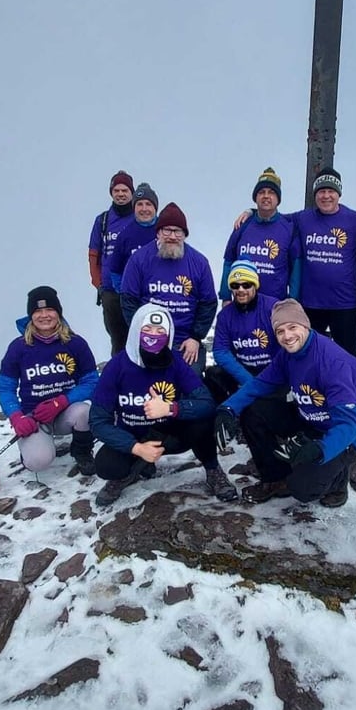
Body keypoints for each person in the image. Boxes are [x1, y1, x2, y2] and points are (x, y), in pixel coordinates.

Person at [215, 299, 356, 506]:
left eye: (292, 327)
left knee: (303, 489)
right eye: (280, 331)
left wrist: (320, 449)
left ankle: (338, 480)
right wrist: (228, 408)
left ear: (305, 325)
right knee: (254, 412)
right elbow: (260, 384)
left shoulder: (331, 363)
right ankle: (275, 478)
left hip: (345, 429)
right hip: (312, 415)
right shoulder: (288, 354)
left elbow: (349, 425)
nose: (287, 336)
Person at [90, 303, 237, 507]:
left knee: (202, 421)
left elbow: (205, 402)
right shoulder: (117, 366)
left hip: (169, 433)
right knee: (107, 465)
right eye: (147, 329)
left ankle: (213, 470)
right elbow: (98, 421)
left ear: (169, 335)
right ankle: (135, 468)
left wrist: (171, 408)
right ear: (136, 330)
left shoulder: (175, 361)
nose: (153, 335)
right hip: (134, 435)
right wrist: (136, 448)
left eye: (160, 331)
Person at [0, 286, 99, 475]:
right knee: (38, 462)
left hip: (66, 411)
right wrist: (17, 417)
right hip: (34, 417)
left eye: (50, 309)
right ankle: (32, 447)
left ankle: (82, 452)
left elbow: (92, 382)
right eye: (38, 311)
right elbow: (5, 387)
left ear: (58, 313)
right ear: (31, 316)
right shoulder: (18, 347)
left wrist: (62, 401)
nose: (44, 315)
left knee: (85, 412)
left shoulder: (75, 343)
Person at [120, 203, 218, 377]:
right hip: (149, 339)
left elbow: (208, 303)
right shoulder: (139, 259)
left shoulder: (199, 263)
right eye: (167, 230)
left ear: (184, 235)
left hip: (184, 342)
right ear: (158, 232)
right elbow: (128, 300)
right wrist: (143, 335)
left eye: (177, 231)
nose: (172, 236)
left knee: (191, 382)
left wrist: (195, 337)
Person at [293, 168, 356, 356]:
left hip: (345, 303)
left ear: (339, 193)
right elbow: (275, 219)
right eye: (321, 191)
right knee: (309, 354)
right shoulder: (303, 218)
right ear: (315, 194)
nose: (326, 196)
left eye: (331, 191)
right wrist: (251, 211)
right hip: (310, 303)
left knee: (347, 356)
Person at [220, 167, 300, 302]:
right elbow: (229, 261)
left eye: (271, 192)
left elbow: (296, 268)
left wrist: (292, 300)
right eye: (261, 192)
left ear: (278, 199)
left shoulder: (289, 228)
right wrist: (225, 297)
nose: (266, 196)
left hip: (274, 305)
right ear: (255, 198)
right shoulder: (243, 224)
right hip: (243, 304)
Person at [205, 260, 280, 405]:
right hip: (242, 372)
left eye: (246, 285)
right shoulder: (225, 315)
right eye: (235, 285)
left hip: (272, 371)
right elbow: (220, 351)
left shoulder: (273, 307)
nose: (240, 290)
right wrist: (248, 381)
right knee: (213, 374)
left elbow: (285, 345)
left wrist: (268, 378)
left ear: (255, 285)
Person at [88, 170, 135, 356]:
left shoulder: (139, 217)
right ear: (111, 193)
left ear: (131, 192)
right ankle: (119, 373)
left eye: (125, 190)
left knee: (142, 337)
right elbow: (93, 255)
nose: (121, 194)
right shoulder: (102, 221)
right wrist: (99, 284)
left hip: (136, 289)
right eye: (116, 190)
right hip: (110, 292)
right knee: (117, 341)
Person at [109, 183, 159, 292]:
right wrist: (125, 293)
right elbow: (115, 271)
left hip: (163, 295)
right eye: (139, 204)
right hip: (134, 297)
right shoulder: (124, 236)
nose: (144, 209)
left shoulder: (167, 231)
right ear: (134, 208)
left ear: (155, 207)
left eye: (148, 204)